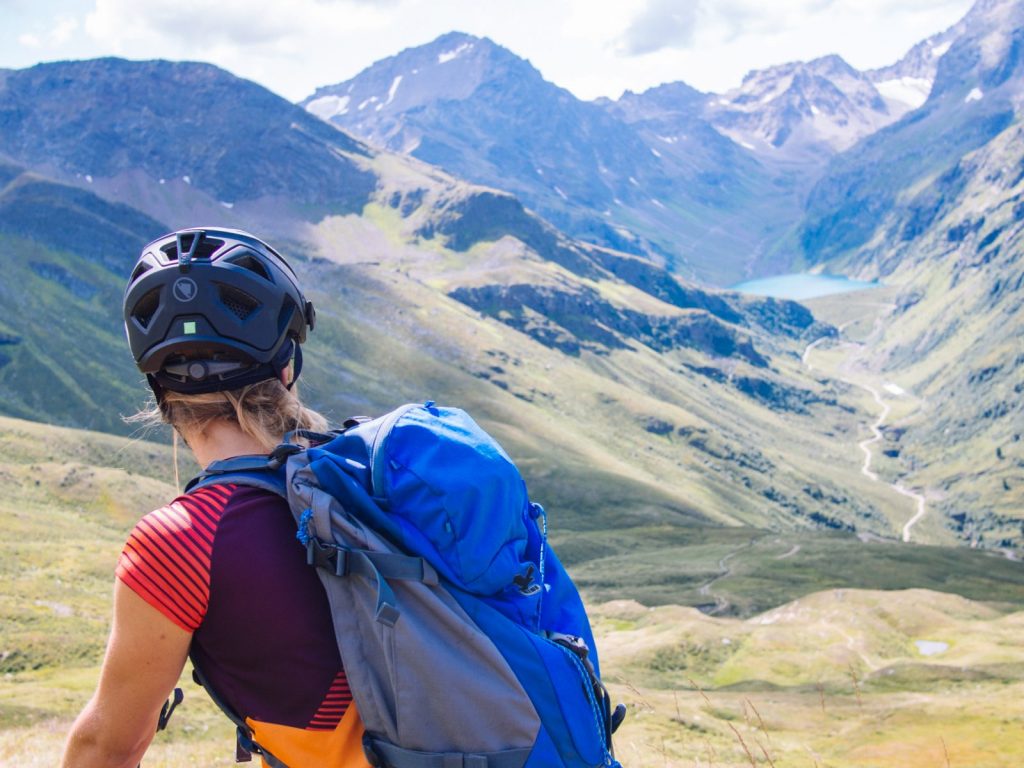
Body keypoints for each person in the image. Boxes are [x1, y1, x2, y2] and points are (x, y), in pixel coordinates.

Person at [61, 228, 370, 768]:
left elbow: (106, 748)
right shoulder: (370, 477)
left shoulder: (180, 542)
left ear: (159, 391)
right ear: (287, 369)